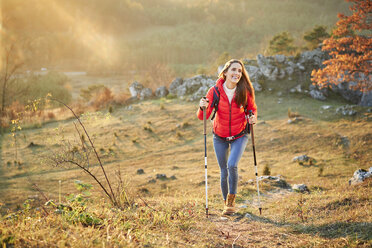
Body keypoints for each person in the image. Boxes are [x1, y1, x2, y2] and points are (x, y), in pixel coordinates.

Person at [197, 59, 257, 215]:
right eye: (234, 70)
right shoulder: (215, 91)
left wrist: (253, 118)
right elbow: (203, 116)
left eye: (239, 71)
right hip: (219, 136)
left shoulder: (245, 91)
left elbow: (252, 109)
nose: (237, 73)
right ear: (225, 73)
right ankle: (226, 204)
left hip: (239, 134)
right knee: (223, 170)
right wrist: (202, 107)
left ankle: (231, 201)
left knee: (232, 165)